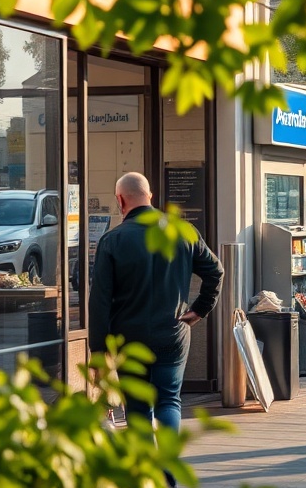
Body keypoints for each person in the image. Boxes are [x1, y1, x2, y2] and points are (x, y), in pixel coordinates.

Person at [89, 172, 224, 434]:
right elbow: (215, 271)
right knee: (169, 401)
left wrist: (98, 351)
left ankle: (147, 470)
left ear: (120, 200)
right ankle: (167, 468)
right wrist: (200, 309)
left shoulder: (112, 240)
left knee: (137, 407)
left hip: (128, 337)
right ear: (150, 196)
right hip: (172, 332)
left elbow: (100, 301)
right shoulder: (183, 231)